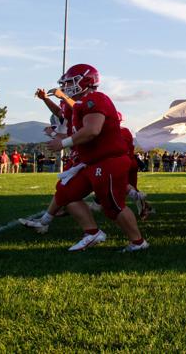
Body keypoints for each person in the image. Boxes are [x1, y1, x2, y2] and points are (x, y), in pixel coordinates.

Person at [24, 64, 149, 251]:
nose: (66, 86)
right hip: (89, 162)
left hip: (107, 161)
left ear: (87, 81)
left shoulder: (95, 99)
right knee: (67, 194)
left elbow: (92, 130)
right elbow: (63, 113)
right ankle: (92, 233)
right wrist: (48, 104)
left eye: (70, 82)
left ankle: (138, 243)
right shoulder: (80, 105)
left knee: (113, 207)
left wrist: (63, 143)